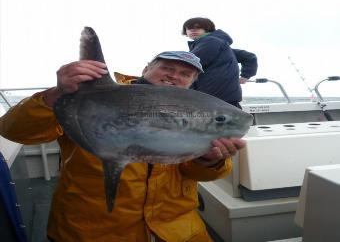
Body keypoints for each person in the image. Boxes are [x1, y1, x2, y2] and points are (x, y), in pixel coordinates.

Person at [0, 51, 245, 242]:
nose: (174, 76)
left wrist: (210, 160)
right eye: (167, 68)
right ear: (146, 68)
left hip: (176, 230)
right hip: (92, 230)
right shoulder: (90, 100)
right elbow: (15, 131)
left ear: (192, 83)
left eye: (185, 74)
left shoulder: (197, 114)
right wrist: (56, 95)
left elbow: (194, 173)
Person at [182, 17, 258, 109]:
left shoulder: (211, 41)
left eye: (198, 27)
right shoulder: (220, 45)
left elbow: (188, 64)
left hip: (214, 98)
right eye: (189, 28)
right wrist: (245, 76)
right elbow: (249, 57)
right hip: (223, 97)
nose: (193, 30)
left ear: (207, 29)